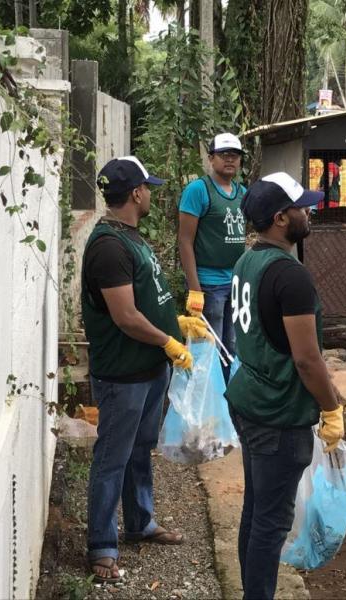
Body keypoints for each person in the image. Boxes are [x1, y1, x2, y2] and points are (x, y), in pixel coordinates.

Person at [82, 156, 206, 583]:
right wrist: (168, 341)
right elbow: (126, 317)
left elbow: (148, 299)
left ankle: (140, 522)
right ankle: (101, 546)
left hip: (149, 370)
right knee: (112, 457)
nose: (151, 193)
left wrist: (178, 322)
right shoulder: (108, 247)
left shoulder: (130, 238)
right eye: (148, 187)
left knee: (139, 449)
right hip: (123, 375)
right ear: (135, 193)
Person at [225, 172, 345, 600]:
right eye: (301, 206)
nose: (308, 211)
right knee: (271, 522)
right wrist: (331, 408)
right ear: (281, 218)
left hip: (247, 399)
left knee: (256, 509)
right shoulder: (290, 276)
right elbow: (307, 359)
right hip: (277, 413)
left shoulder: (247, 261)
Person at [179, 133, 247, 376]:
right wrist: (195, 289)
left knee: (233, 347)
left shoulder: (242, 192)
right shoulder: (199, 190)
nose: (230, 160)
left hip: (236, 284)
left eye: (235, 155)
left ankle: (226, 403)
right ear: (211, 158)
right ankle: (206, 406)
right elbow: (185, 240)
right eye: (224, 154)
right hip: (210, 284)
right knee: (210, 349)